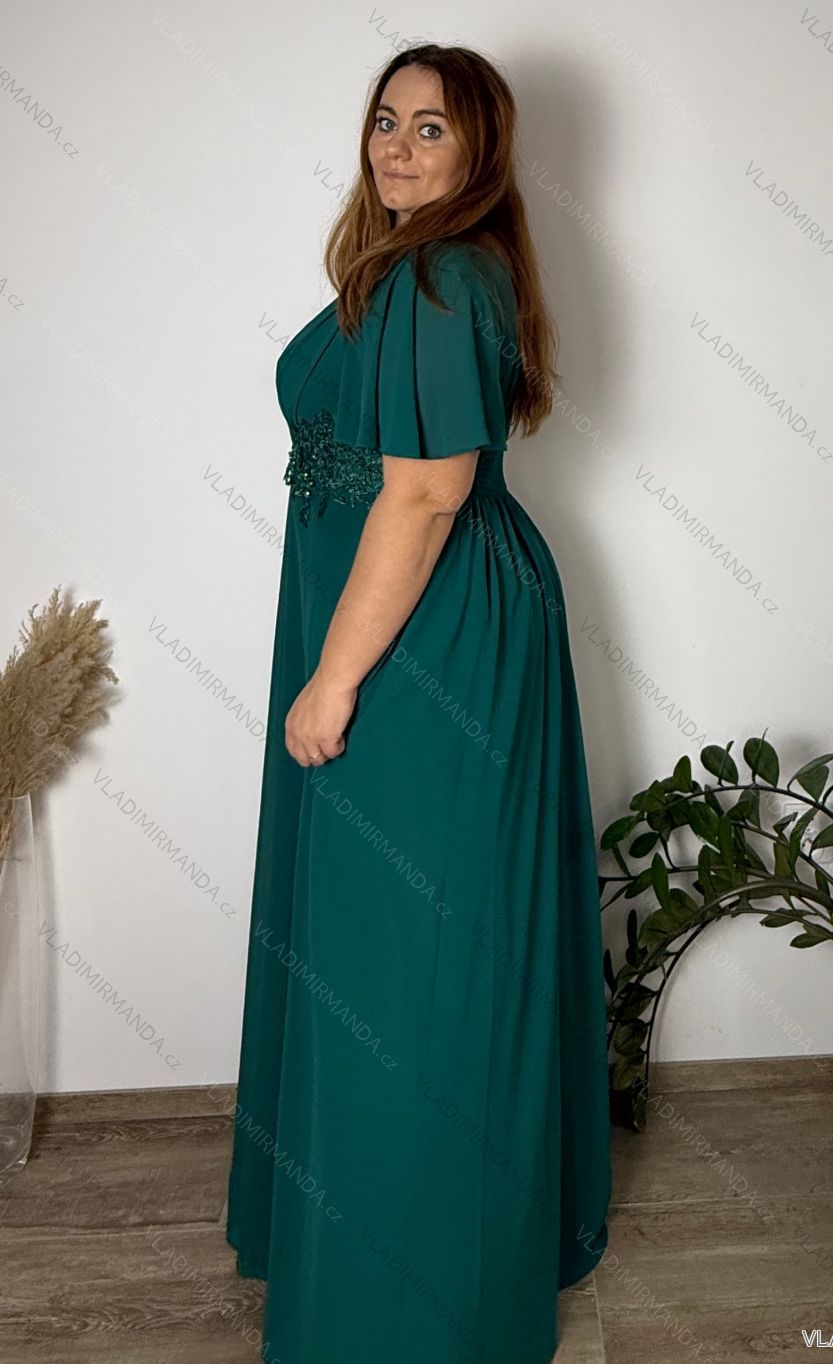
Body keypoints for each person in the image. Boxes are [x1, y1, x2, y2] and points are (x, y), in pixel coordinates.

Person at [225, 41, 611, 1364]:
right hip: (405, 616)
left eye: (430, 127)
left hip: (425, 641)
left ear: (479, 149)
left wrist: (334, 678)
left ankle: (414, 1294)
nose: (396, 144)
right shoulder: (419, 268)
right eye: (385, 120)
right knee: (393, 944)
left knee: (406, 956)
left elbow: (430, 492)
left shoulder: (443, 276)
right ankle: (385, 1237)